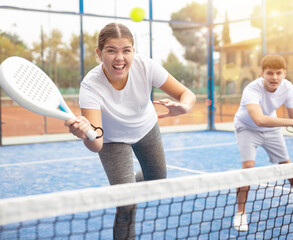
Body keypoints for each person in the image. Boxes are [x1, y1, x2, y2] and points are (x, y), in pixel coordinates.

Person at [65, 23, 196, 239]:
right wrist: (84, 133)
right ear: (99, 53)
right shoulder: (90, 85)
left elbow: (186, 93)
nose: (120, 58)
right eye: (111, 50)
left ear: (133, 51)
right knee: (127, 204)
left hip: (146, 128)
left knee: (157, 180)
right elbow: (96, 142)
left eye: (126, 50)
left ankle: (126, 186)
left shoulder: (146, 66)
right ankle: (125, 192)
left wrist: (185, 106)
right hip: (112, 140)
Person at [233, 55, 293, 232]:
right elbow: (259, 120)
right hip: (246, 128)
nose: (274, 77)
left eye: (278, 73)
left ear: (284, 73)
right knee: (248, 167)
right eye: (269, 73)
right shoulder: (251, 90)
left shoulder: (288, 87)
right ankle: (240, 213)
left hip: (272, 130)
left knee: (286, 164)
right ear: (262, 74)